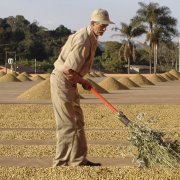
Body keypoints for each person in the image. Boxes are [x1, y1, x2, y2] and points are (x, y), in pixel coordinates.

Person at [50, 9, 114, 167]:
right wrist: (83, 81)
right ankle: (60, 164)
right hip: (62, 81)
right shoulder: (84, 39)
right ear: (92, 23)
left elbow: (66, 56)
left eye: (106, 25)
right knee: (67, 124)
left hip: (70, 81)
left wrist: (80, 80)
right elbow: (67, 70)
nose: (104, 28)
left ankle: (78, 160)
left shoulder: (91, 37)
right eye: (101, 25)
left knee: (78, 121)